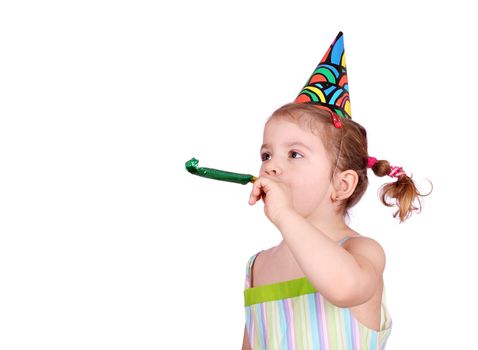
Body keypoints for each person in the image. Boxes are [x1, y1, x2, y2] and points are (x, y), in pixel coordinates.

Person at [241, 32, 430, 350]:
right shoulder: (257, 266)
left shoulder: (362, 252)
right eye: (266, 155)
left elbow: (342, 288)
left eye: (295, 154)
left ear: (342, 184)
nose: (271, 167)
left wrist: (286, 215)